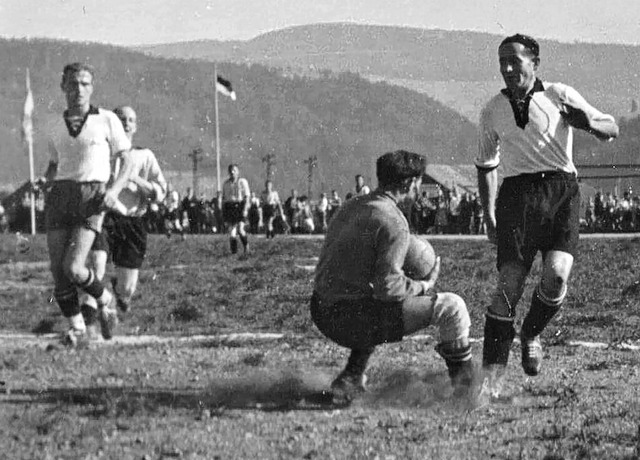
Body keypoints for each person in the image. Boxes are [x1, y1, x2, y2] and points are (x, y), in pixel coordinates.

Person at [477, 34, 618, 391]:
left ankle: (531, 333)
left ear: (534, 63)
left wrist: (586, 123)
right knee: (508, 287)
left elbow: (610, 127)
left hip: (561, 193)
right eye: (502, 62)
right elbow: (486, 165)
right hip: (517, 199)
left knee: (556, 276)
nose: (507, 69)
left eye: (515, 61)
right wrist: (490, 214)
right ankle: (490, 382)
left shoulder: (558, 94)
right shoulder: (492, 110)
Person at [312, 150, 476, 401]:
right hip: (348, 321)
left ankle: (351, 377)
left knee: (364, 294)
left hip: (321, 309)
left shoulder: (352, 205)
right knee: (452, 308)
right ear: (410, 183)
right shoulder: (393, 221)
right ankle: (466, 392)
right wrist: (424, 285)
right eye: (419, 181)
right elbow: (389, 289)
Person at [42, 62, 132, 345]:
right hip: (60, 195)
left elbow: (126, 160)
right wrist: (46, 180)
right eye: (72, 83)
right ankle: (78, 328)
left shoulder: (107, 120)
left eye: (84, 84)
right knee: (58, 272)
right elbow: (55, 163)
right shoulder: (54, 124)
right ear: (63, 86)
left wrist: (114, 191)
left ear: (91, 88)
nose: (77, 89)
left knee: (74, 267)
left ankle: (105, 299)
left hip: (91, 196)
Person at [106, 106, 168, 313]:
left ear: (135, 126)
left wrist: (133, 178)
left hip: (133, 220)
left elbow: (160, 192)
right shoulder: (102, 153)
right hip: (108, 217)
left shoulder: (145, 156)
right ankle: (97, 309)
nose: (126, 123)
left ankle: (119, 291)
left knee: (128, 287)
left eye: (131, 120)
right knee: (96, 264)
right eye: (121, 119)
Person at [221, 164, 251, 254]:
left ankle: (246, 247)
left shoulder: (242, 182)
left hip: (240, 206)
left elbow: (247, 197)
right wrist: (224, 211)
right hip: (230, 207)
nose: (232, 172)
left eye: (234, 170)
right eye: (230, 170)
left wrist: (245, 209)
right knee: (232, 232)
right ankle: (234, 253)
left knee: (241, 229)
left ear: (238, 172)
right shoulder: (226, 184)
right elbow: (224, 199)